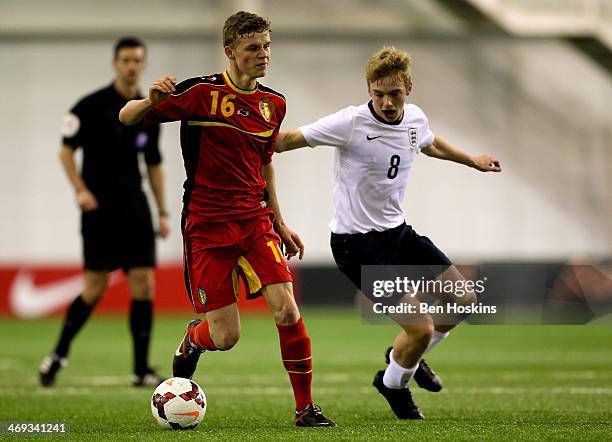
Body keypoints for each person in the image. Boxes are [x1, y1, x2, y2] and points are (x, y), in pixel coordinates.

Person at [119, 11, 335, 427]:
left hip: (255, 222)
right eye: (254, 47)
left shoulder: (275, 105)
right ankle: (191, 339)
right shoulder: (200, 93)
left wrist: (280, 222)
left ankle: (305, 409)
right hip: (207, 226)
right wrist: (151, 101)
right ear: (230, 51)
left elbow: (265, 163)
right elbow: (126, 116)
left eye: (267, 46)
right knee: (225, 337)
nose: (263, 55)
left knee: (287, 310)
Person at [275, 46, 502, 419]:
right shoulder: (349, 123)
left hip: (398, 235)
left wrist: (471, 160)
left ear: (408, 87)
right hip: (357, 247)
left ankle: (404, 359)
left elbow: (429, 143)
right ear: (369, 90)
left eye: (394, 93)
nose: (386, 102)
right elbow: (287, 140)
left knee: (463, 301)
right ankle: (393, 384)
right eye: (378, 94)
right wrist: (247, 135)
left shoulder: (414, 119)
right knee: (421, 329)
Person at [38, 37, 168, 388]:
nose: (131, 66)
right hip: (100, 210)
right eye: (126, 59)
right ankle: (59, 354)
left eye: (137, 60)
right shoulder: (90, 106)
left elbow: (154, 164)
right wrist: (80, 189)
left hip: (136, 209)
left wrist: (163, 211)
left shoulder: (149, 110)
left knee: (143, 283)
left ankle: (140, 370)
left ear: (143, 64)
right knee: (93, 288)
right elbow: (66, 151)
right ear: (115, 63)